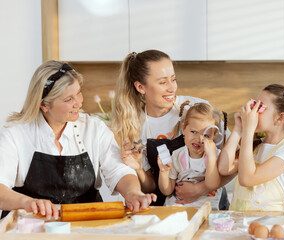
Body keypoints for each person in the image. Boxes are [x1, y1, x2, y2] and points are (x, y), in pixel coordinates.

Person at [0, 60, 156, 219]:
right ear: (44, 105)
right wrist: (27, 203)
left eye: (79, 93)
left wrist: (133, 193)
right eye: (68, 99)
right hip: (31, 223)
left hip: (86, 221)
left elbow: (119, 170)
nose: (79, 103)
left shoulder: (94, 128)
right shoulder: (15, 134)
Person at [111, 49, 233, 208]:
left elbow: (235, 161)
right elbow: (151, 187)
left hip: (212, 206)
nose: (172, 88)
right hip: (167, 210)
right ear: (141, 87)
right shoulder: (134, 128)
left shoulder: (195, 110)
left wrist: (199, 188)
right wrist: (139, 168)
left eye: (173, 79)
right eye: (162, 82)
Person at [218, 84, 284, 211]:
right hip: (240, 222)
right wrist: (238, 129)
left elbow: (247, 178)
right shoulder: (256, 146)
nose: (253, 112)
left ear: (280, 118)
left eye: (260, 107)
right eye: (254, 105)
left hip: (269, 222)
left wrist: (248, 130)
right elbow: (224, 168)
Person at [158, 101, 224, 210]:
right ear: (183, 129)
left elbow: (212, 185)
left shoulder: (216, 155)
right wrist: (164, 172)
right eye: (194, 132)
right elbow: (167, 191)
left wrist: (211, 158)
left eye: (206, 135)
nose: (199, 139)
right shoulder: (177, 156)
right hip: (181, 203)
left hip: (206, 203)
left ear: (214, 136)